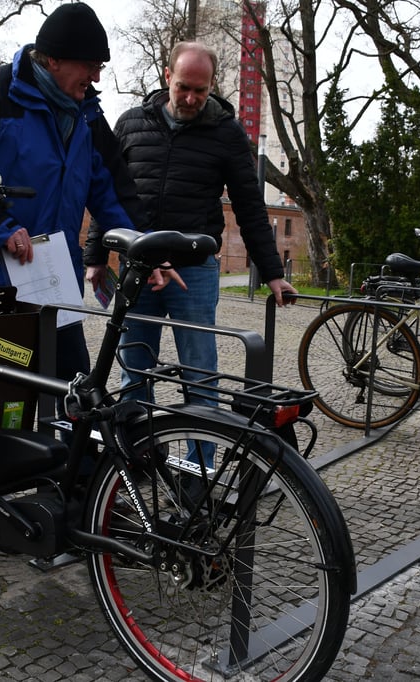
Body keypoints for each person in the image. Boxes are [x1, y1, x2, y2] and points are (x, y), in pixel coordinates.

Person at [84, 41, 297, 465]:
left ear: (211, 85)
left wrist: (272, 272)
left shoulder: (226, 133)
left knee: (201, 376)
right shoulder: (131, 123)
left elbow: (251, 206)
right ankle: (136, 463)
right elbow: (106, 191)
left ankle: (200, 473)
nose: (190, 99)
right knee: (133, 375)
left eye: (200, 91)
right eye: (183, 87)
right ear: (167, 76)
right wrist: (94, 255)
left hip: (195, 271)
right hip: (138, 267)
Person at [0, 2, 149, 390]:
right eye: (90, 65)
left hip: (54, 283)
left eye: (101, 68)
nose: (96, 77)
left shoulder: (88, 115)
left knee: (75, 390)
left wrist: (144, 248)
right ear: (55, 60)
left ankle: (73, 453)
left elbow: (112, 189)